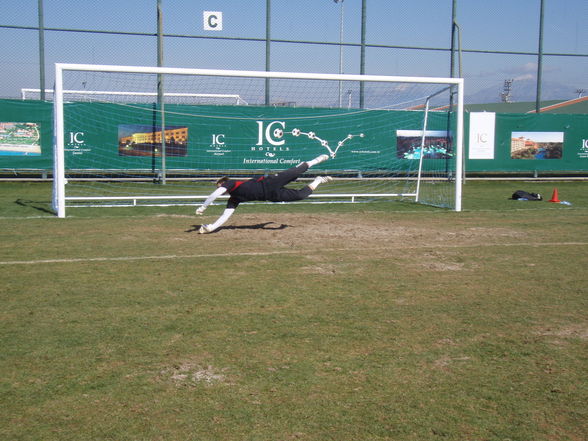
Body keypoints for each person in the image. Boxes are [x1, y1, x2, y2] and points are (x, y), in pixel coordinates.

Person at [195, 154, 332, 233]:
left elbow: (215, 194)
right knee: (301, 195)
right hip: (270, 196)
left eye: (219, 184)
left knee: (295, 171)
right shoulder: (233, 199)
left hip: (270, 183)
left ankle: (317, 160)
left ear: (223, 182)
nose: (219, 187)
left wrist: (203, 207)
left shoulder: (230, 183)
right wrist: (211, 227)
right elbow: (225, 217)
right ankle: (318, 180)